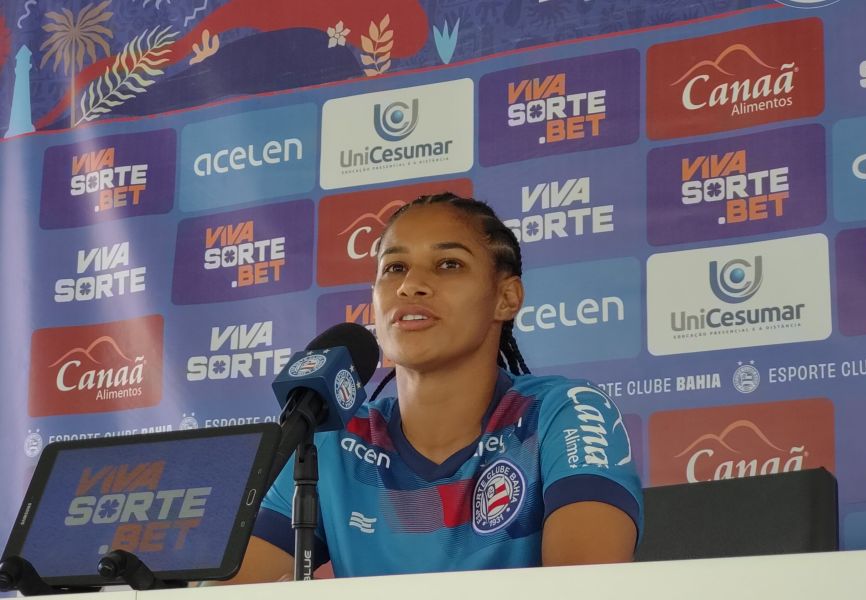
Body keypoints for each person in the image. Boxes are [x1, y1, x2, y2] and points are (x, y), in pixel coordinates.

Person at [223, 192, 642, 581]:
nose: (410, 285)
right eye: (394, 268)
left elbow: (585, 585)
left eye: (448, 264)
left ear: (507, 298)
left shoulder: (561, 413)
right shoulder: (333, 442)